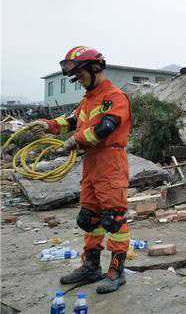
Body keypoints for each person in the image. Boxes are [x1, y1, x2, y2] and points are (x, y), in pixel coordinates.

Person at [30, 46, 132, 294]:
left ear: (94, 68)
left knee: (114, 219)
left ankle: (116, 272)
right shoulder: (88, 99)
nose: (78, 81)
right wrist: (48, 125)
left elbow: (104, 129)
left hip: (110, 162)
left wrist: (75, 140)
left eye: (80, 75)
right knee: (89, 218)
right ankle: (91, 267)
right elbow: (73, 120)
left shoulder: (114, 97)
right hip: (92, 163)